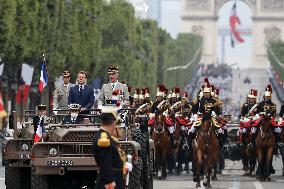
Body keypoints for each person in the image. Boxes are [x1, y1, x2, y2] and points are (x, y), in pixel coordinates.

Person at [92, 106, 132, 189]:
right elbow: (105, 164)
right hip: (110, 184)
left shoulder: (107, 137)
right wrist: (109, 183)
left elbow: (114, 162)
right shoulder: (104, 139)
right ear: (114, 122)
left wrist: (124, 167)